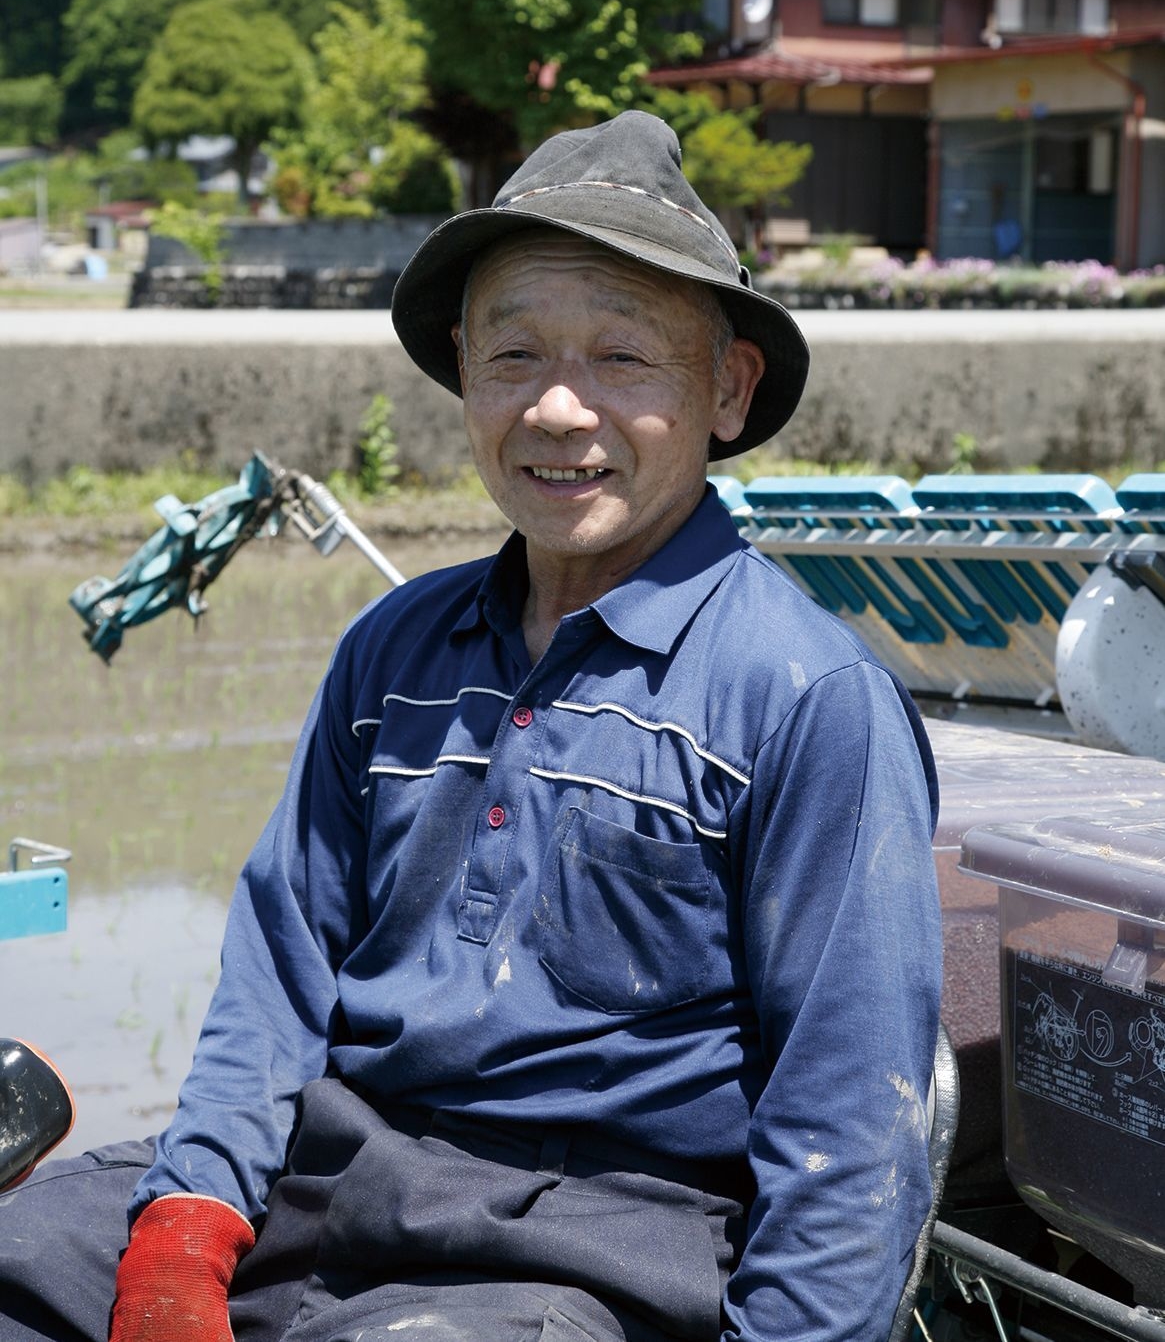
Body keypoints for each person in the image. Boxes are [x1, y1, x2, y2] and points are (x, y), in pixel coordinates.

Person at [0, 111, 941, 1342]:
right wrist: (186, 1224)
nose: (558, 408)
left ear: (727, 386)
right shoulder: (391, 651)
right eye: (514, 355)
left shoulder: (807, 697)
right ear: (461, 369)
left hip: (575, 1251)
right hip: (328, 1192)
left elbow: (852, 1132)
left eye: (622, 358)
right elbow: (276, 981)